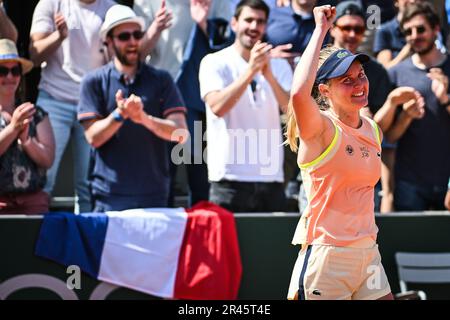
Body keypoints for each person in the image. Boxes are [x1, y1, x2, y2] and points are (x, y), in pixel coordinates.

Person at [285, 5, 393, 299]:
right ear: (324, 90)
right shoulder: (320, 130)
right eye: (347, 80)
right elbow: (297, 94)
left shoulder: (373, 130)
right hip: (327, 258)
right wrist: (321, 29)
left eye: (360, 75)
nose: (359, 84)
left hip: (368, 253)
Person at [77, 5, 189, 212]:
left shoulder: (162, 79)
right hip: (108, 197)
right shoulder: (92, 81)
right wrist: (120, 114)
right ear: (108, 41)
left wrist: (143, 118)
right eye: (124, 36)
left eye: (137, 35)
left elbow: (180, 133)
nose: (132, 42)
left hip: (155, 196)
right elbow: (93, 137)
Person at [199, 0, 292, 213]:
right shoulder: (214, 62)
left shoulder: (278, 65)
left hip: (271, 177)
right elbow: (218, 107)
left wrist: (268, 75)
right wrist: (250, 71)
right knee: (226, 247)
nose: (254, 26)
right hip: (229, 178)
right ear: (234, 23)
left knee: (270, 246)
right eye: (248, 20)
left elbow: (292, 112)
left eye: (260, 21)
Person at [29, 0, 115, 213]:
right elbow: (34, 54)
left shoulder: (111, 8)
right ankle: (37, 242)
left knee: (89, 187)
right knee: (42, 181)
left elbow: (120, 57)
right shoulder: (51, 4)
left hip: (93, 106)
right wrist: (59, 36)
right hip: (53, 100)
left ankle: (84, 243)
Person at [385, 2, 450, 211]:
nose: (414, 35)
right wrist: (405, 117)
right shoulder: (396, 74)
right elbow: (389, 136)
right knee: (410, 243)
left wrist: (446, 99)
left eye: (421, 29)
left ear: (436, 30)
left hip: (447, 181)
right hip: (410, 182)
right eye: (408, 31)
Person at [0, 39, 55, 214]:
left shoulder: (36, 113)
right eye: (2, 71)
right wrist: (13, 128)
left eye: (15, 71)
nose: (10, 77)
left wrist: (26, 141)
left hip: (33, 202)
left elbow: (48, 160)